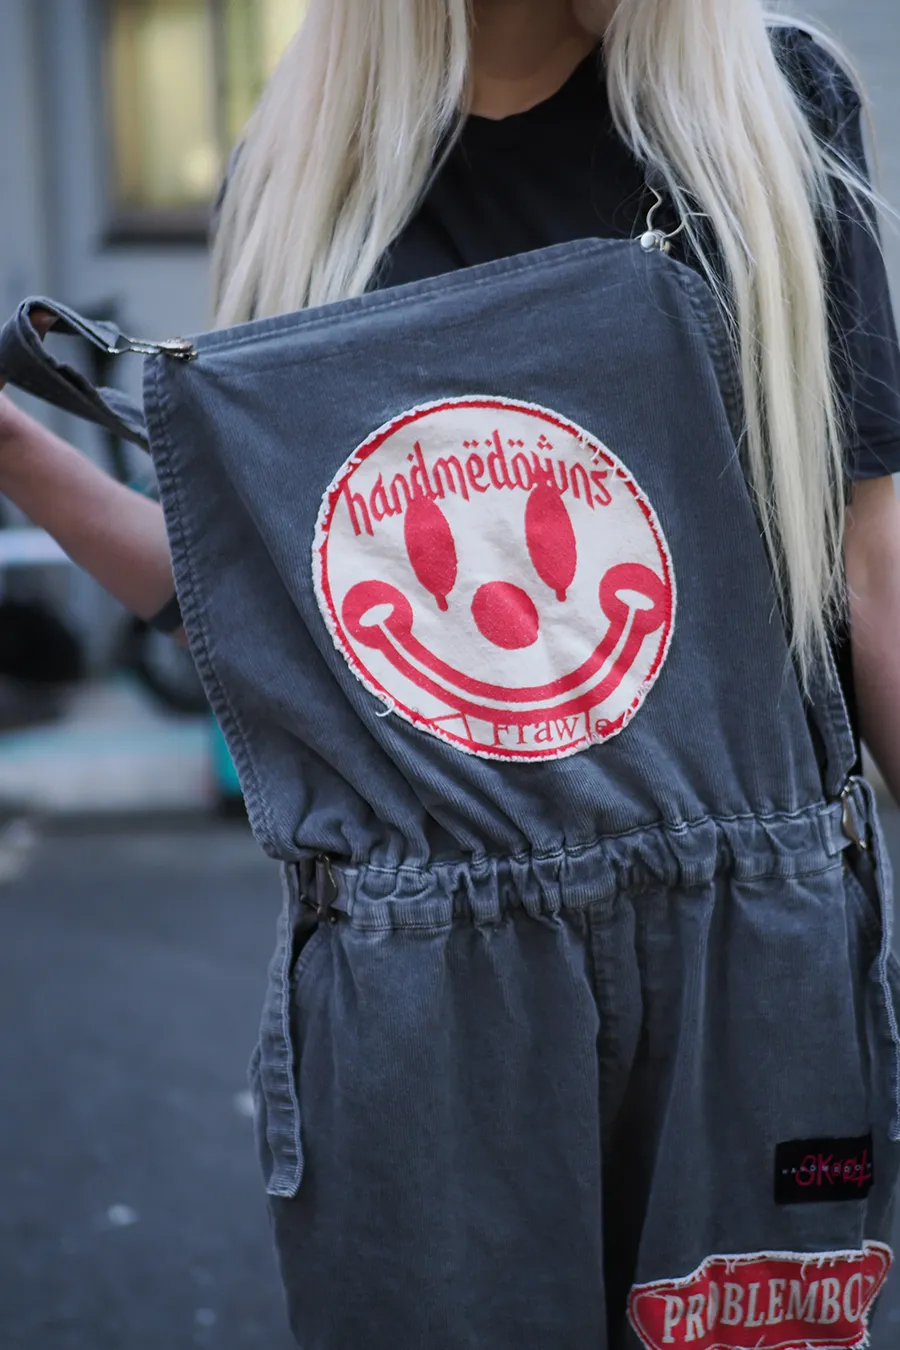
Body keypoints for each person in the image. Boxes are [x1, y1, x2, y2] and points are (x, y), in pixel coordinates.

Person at [1, 2, 900, 1346]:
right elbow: (259, 618)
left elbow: (872, 564)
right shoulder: (303, 171)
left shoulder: (772, 102)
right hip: (424, 979)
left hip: (753, 954)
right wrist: (16, 450)